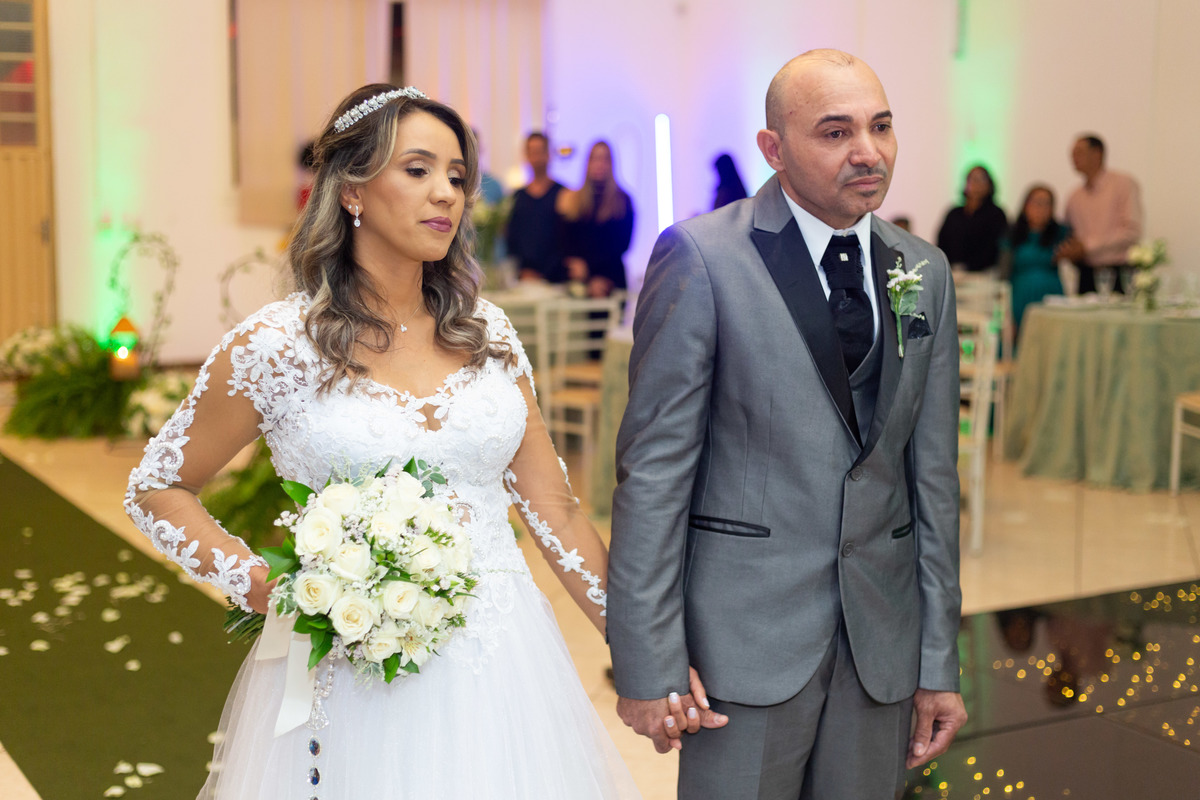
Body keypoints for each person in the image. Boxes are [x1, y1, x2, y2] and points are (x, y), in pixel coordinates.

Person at [123, 84, 678, 798]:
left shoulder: (487, 333)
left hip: (503, 669)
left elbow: (558, 514)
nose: (446, 192)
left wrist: (638, 650)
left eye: (457, 176)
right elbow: (158, 488)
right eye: (418, 170)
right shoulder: (276, 345)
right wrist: (262, 585)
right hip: (356, 675)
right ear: (352, 189)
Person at [608, 49, 967, 799]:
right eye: (836, 133)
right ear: (773, 148)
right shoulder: (703, 258)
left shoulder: (923, 269)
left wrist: (937, 661)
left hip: (881, 647)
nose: (867, 152)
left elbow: (932, 479)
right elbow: (654, 475)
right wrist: (647, 661)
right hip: (743, 644)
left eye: (881, 127)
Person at [1056, 134, 1142, 295]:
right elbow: (1069, 234)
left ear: (1097, 154)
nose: (1073, 158)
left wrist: (1087, 247)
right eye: (1072, 153)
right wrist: (1069, 250)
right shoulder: (1075, 196)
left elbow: (1131, 232)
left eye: (1079, 152)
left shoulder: (1123, 184)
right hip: (1086, 273)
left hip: (1118, 271)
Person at [558, 140, 634, 298]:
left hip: (611, 282)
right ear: (588, 162)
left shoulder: (623, 201)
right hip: (578, 283)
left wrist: (590, 272)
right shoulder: (572, 201)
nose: (600, 164)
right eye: (595, 158)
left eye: (605, 159)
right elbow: (565, 243)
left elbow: (621, 246)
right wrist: (585, 275)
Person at [1004, 184, 1068, 333]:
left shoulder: (1060, 233)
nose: (1041, 208)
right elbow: (1004, 272)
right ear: (1026, 205)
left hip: (1051, 294)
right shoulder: (1013, 234)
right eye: (1037, 203)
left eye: (1047, 204)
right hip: (1020, 295)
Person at [506, 131, 566, 283]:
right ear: (526, 155)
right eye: (532, 152)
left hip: (557, 278)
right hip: (524, 278)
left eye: (540, 151)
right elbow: (513, 237)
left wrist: (547, 272)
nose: (536, 157)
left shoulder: (564, 194)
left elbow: (567, 240)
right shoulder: (518, 196)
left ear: (548, 154)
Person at [936, 164, 1008, 273]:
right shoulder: (954, 214)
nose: (976, 184)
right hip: (954, 272)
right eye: (973, 179)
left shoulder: (996, 215)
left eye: (981, 179)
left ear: (989, 184)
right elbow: (942, 242)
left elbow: (997, 247)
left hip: (984, 274)